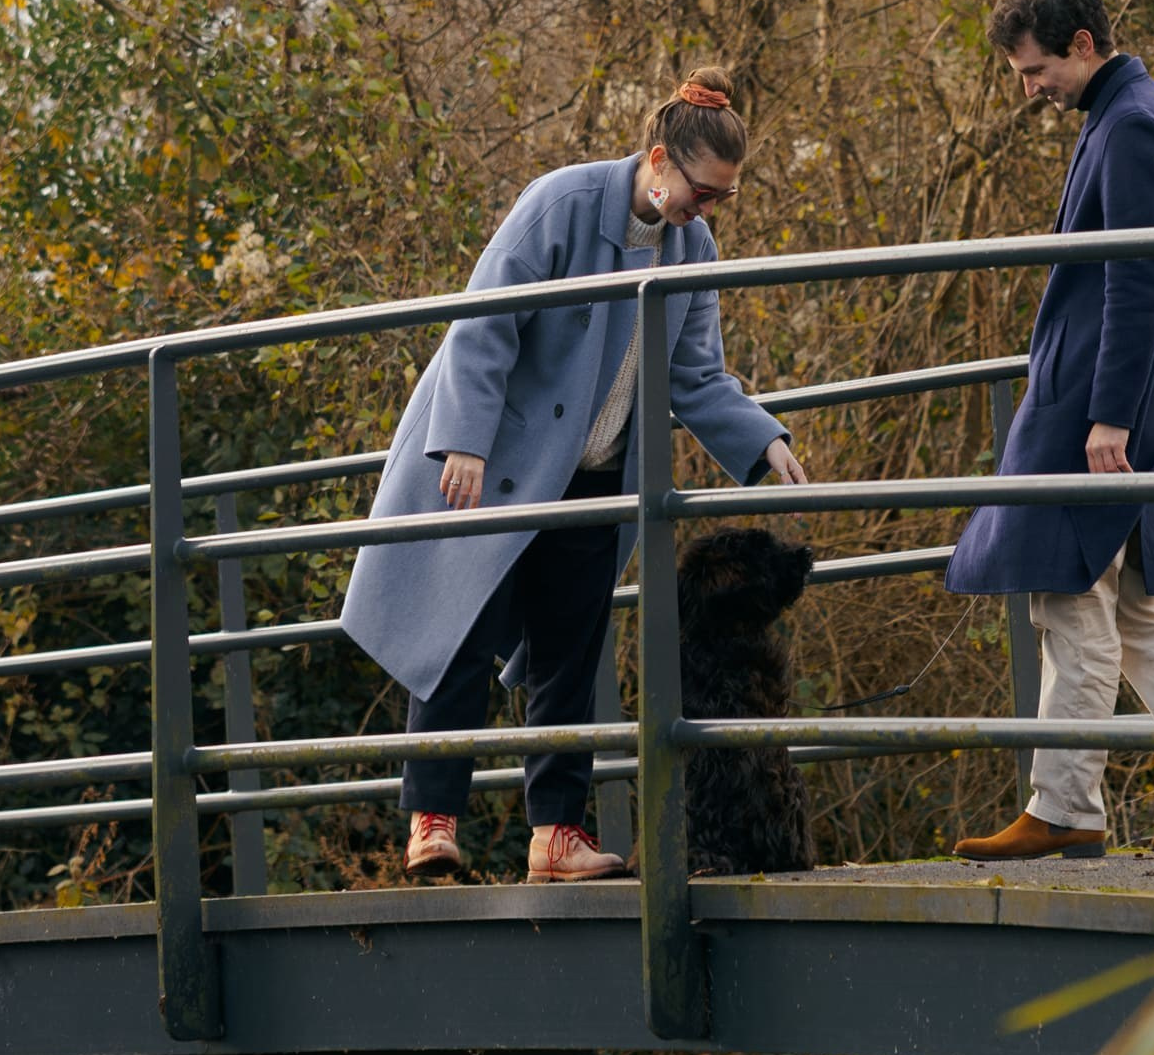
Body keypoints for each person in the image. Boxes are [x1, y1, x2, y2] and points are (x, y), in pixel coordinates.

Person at [341, 69, 809, 881]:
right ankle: (433, 824)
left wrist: (763, 441)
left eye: (721, 200)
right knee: (461, 630)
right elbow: (483, 325)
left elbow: (696, 374)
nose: (706, 212)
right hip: (498, 463)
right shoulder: (559, 204)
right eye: (702, 193)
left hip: (594, 476)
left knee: (571, 651)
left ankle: (555, 835)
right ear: (659, 160)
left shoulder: (691, 246)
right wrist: (464, 441)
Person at [944, 0, 1154, 860]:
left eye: (1034, 70)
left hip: (1094, 407)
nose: (1030, 90)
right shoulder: (1129, 117)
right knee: (1131, 608)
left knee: (1071, 602)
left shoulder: (1127, 130)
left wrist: (1109, 418)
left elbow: (1136, 279)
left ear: (1082, 45)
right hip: (1101, 400)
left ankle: (1065, 810)